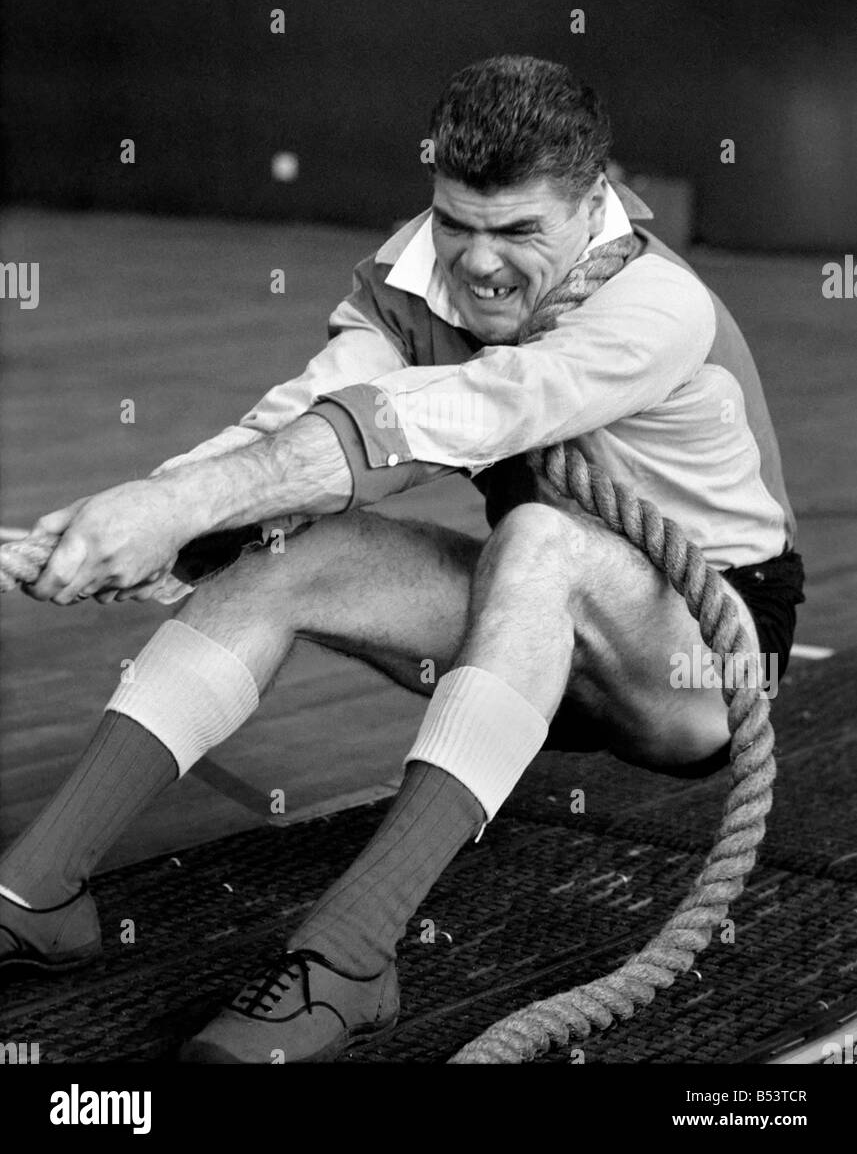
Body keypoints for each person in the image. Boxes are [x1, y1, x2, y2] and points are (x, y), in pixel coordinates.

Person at [0, 55, 804, 1063]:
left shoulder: (657, 307)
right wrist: (149, 510)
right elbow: (300, 421)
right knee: (298, 548)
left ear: (592, 202)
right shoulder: (411, 270)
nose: (475, 263)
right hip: (539, 626)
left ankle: (348, 959)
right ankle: (39, 890)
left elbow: (448, 415)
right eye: (456, 222)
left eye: (516, 232)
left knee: (541, 535)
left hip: (698, 662)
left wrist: (177, 507)